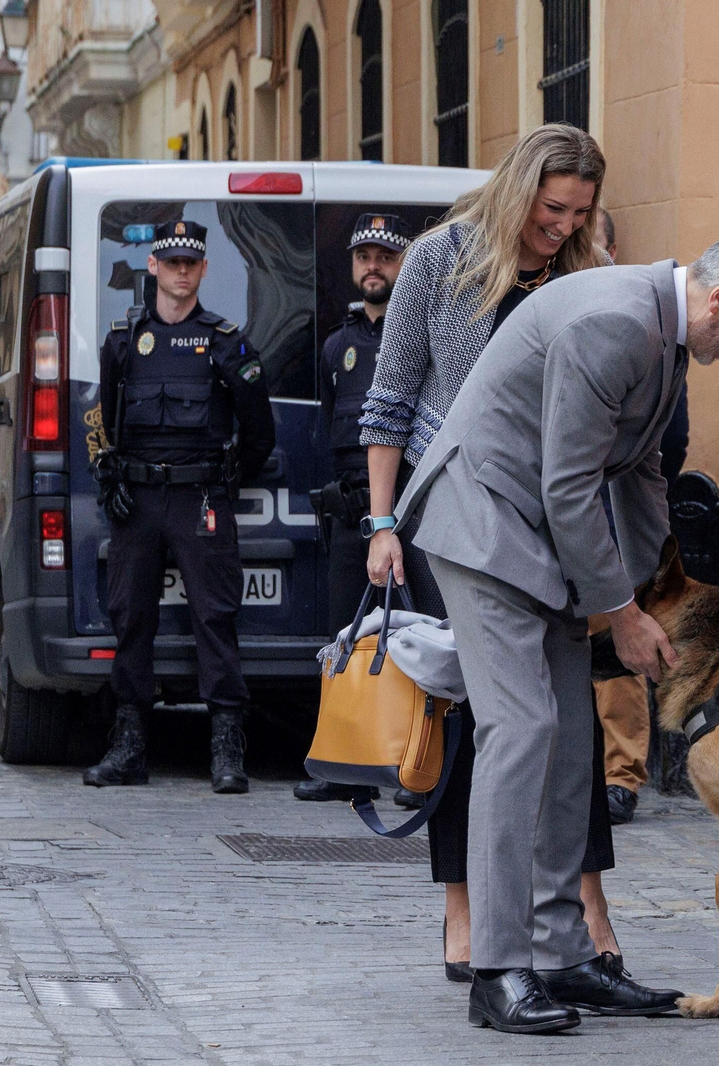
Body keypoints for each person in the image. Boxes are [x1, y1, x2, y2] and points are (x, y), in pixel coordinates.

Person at [388, 227, 719, 1034]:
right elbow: (571, 480)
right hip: (484, 532)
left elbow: (642, 473)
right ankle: (500, 966)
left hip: (541, 540)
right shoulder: (619, 322)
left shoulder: (662, 328)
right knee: (521, 731)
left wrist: (660, 598)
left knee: (569, 737)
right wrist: (621, 613)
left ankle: (563, 955)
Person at [357, 124, 617, 982]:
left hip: (557, 517)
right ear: (519, 191)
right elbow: (391, 398)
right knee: (476, 720)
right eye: (551, 208)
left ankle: (585, 914)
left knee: (569, 724)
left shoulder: (585, 265)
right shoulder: (440, 260)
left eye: (578, 211)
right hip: (457, 518)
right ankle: (463, 909)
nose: (562, 224)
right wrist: (382, 524)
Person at [85, 220, 275, 794]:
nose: (181, 271)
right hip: (138, 502)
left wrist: (225, 477)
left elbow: (259, 430)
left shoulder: (226, 342)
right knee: (131, 617)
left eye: (191, 262)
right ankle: (129, 744)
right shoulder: (124, 340)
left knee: (214, 618)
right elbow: (102, 422)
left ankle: (226, 747)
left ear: (203, 270)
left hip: (199, 499)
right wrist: (107, 474)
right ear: (154, 267)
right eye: (171, 262)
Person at [295, 212, 412, 804]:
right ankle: (342, 765)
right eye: (364, 256)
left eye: (386, 256)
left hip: (406, 517)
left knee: (416, 638)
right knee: (344, 637)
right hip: (351, 518)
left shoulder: (416, 337)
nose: (374, 266)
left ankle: (412, 765)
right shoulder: (337, 346)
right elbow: (325, 427)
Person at [592, 206, 691, 826]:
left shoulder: (646, 326)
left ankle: (622, 773)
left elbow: (666, 438)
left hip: (621, 497)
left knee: (622, 636)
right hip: (571, 499)